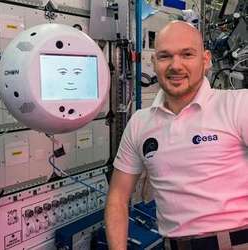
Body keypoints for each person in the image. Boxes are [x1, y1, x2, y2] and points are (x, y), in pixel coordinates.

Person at [104, 20, 248, 250]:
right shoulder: (140, 123)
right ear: (153, 62)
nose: (175, 66)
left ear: (206, 59)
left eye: (187, 54)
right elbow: (117, 199)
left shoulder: (238, 105)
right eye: (165, 56)